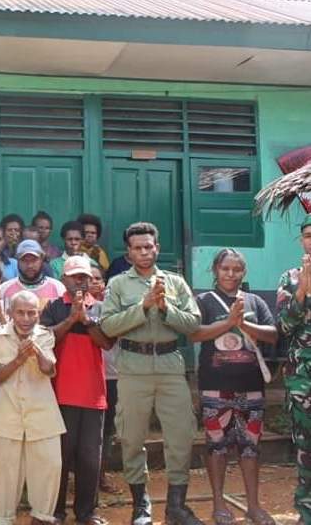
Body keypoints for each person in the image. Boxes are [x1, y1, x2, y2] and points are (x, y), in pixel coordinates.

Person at [100, 222, 203, 525]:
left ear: (157, 248)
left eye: (149, 246)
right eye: (138, 248)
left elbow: (193, 323)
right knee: (131, 437)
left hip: (170, 365)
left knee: (181, 436)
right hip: (133, 367)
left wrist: (166, 308)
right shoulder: (118, 284)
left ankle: (176, 507)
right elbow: (108, 326)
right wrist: (143, 307)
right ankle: (140, 506)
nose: (144, 252)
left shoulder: (175, 283)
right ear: (129, 252)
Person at [190, 249, 278, 525]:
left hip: (251, 386)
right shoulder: (203, 301)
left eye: (237, 269)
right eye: (225, 268)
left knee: (250, 447)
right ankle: (219, 504)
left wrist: (244, 324)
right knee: (216, 446)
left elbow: (273, 335)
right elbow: (193, 333)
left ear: (244, 272)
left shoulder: (254, 301)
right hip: (214, 387)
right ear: (215, 270)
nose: (231, 274)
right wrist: (228, 323)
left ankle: (253, 506)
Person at [40, 256, 114, 525]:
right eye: (75, 276)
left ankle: (87, 512)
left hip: (93, 394)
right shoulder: (54, 307)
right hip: (60, 393)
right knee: (60, 456)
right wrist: (71, 320)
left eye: (84, 276)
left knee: (90, 458)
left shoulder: (101, 308)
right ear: (64, 279)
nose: (80, 281)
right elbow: (45, 339)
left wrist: (87, 321)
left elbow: (107, 343)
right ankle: (56, 511)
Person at [0, 290, 64, 525]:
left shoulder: (45, 335)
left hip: (44, 417)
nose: (26, 318)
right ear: (10, 313)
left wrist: (36, 351)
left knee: (50, 468)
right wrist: (18, 360)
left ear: (38, 314)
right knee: (5, 476)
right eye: (20, 313)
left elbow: (49, 369)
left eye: (32, 313)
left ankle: (42, 518)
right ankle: (5, 519)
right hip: (7, 418)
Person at [276, 213, 311, 524]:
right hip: (303, 379)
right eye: (309, 235)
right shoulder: (289, 278)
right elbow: (284, 327)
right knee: (306, 450)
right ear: (302, 240)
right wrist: (302, 289)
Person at [90, 264, 121, 495]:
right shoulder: (78, 309)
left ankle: (100, 475)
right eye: (89, 279)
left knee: (107, 428)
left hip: (113, 375)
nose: (94, 283)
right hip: (88, 375)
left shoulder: (114, 308)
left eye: (98, 279)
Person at [0, 239, 65, 311]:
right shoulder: (4, 289)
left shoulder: (57, 288)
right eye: (24, 260)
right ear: (17, 261)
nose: (29, 265)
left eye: (34, 260)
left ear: (42, 260)